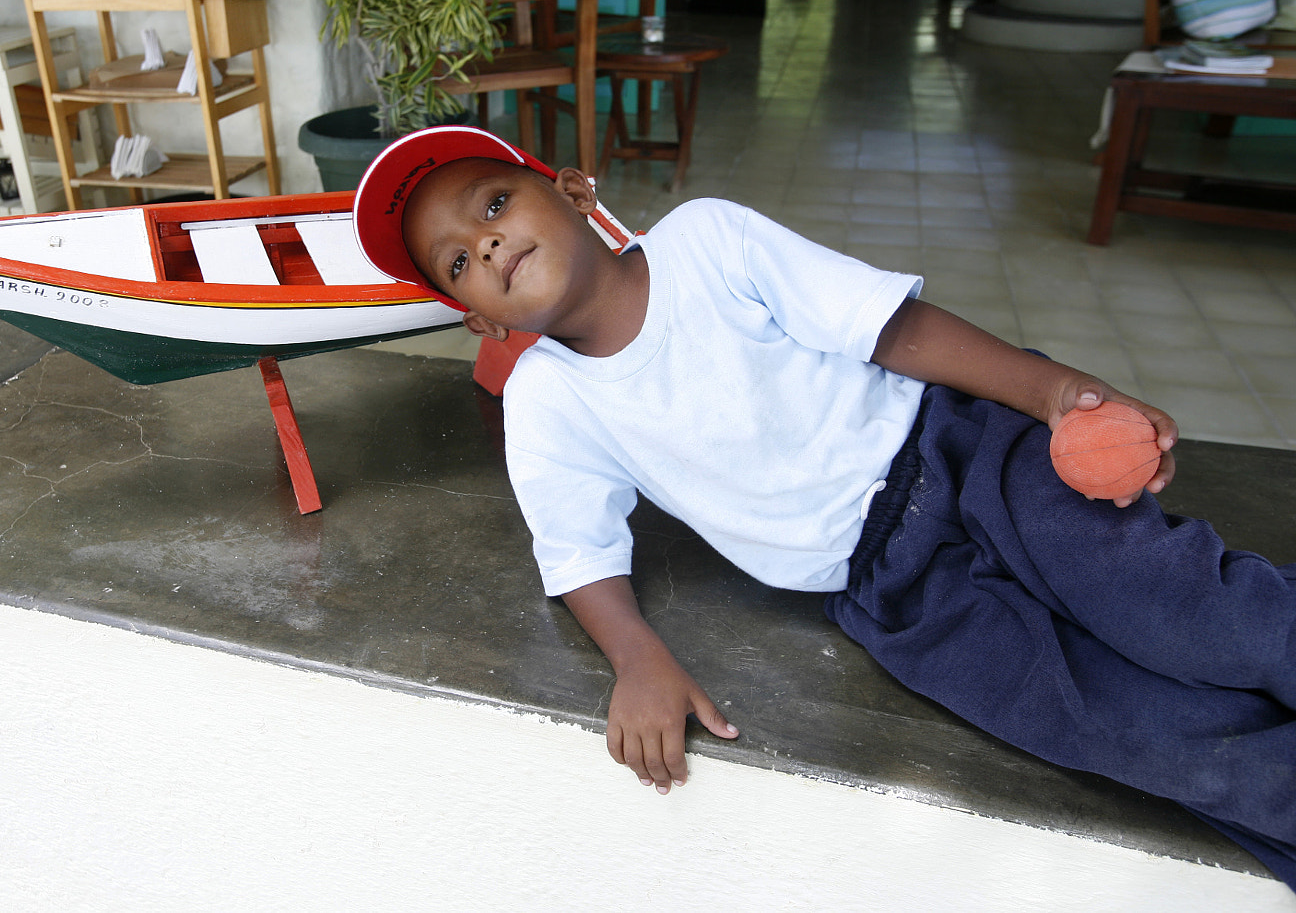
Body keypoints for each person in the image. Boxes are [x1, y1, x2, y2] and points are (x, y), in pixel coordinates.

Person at [351, 125, 1296, 890]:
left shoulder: (708, 241)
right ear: (476, 317)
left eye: (496, 203)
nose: (488, 243)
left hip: (963, 450)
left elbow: (891, 328)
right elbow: (577, 546)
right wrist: (637, 658)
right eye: (459, 260)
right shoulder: (550, 400)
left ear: (574, 190)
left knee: (1174, 609)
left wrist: (1050, 393)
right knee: (1091, 718)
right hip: (889, 585)